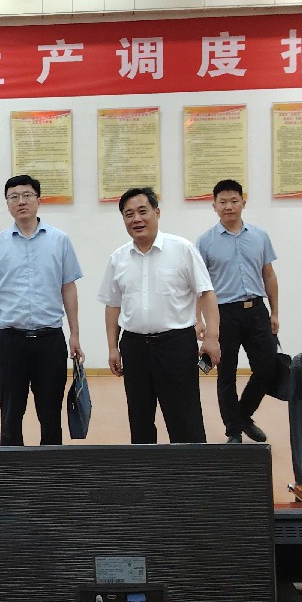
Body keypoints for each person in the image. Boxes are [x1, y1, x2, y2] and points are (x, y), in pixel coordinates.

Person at [98, 186, 220, 444]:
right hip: (134, 347)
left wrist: (212, 338)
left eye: (143, 211)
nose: (136, 219)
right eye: (129, 214)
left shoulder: (182, 249)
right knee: (140, 418)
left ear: (157, 212)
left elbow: (206, 294)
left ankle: (191, 469)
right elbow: (112, 305)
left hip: (176, 346)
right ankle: (146, 470)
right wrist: (112, 348)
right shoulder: (118, 258)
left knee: (184, 417)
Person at [0, 175, 84, 447]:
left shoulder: (59, 240)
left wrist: (74, 333)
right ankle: (12, 468)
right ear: (7, 203)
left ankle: (50, 468)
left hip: (50, 339)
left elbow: (68, 288)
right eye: (14, 197)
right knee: (10, 414)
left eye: (27, 195)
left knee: (50, 414)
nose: (21, 201)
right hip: (10, 340)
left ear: (38, 200)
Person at [196, 179, 280, 444]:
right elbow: (199, 286)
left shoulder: (260, 236)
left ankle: (243, 415)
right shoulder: (205, 242)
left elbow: (269, 275)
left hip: (256, 310)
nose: (229, 206)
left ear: (243, 203)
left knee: (268, 368)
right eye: (223, 202)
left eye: (234, 201)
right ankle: (233, 431)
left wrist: (275, 312)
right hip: (222, 315)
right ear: (214, 206)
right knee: (226, 374)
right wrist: (199, 320)